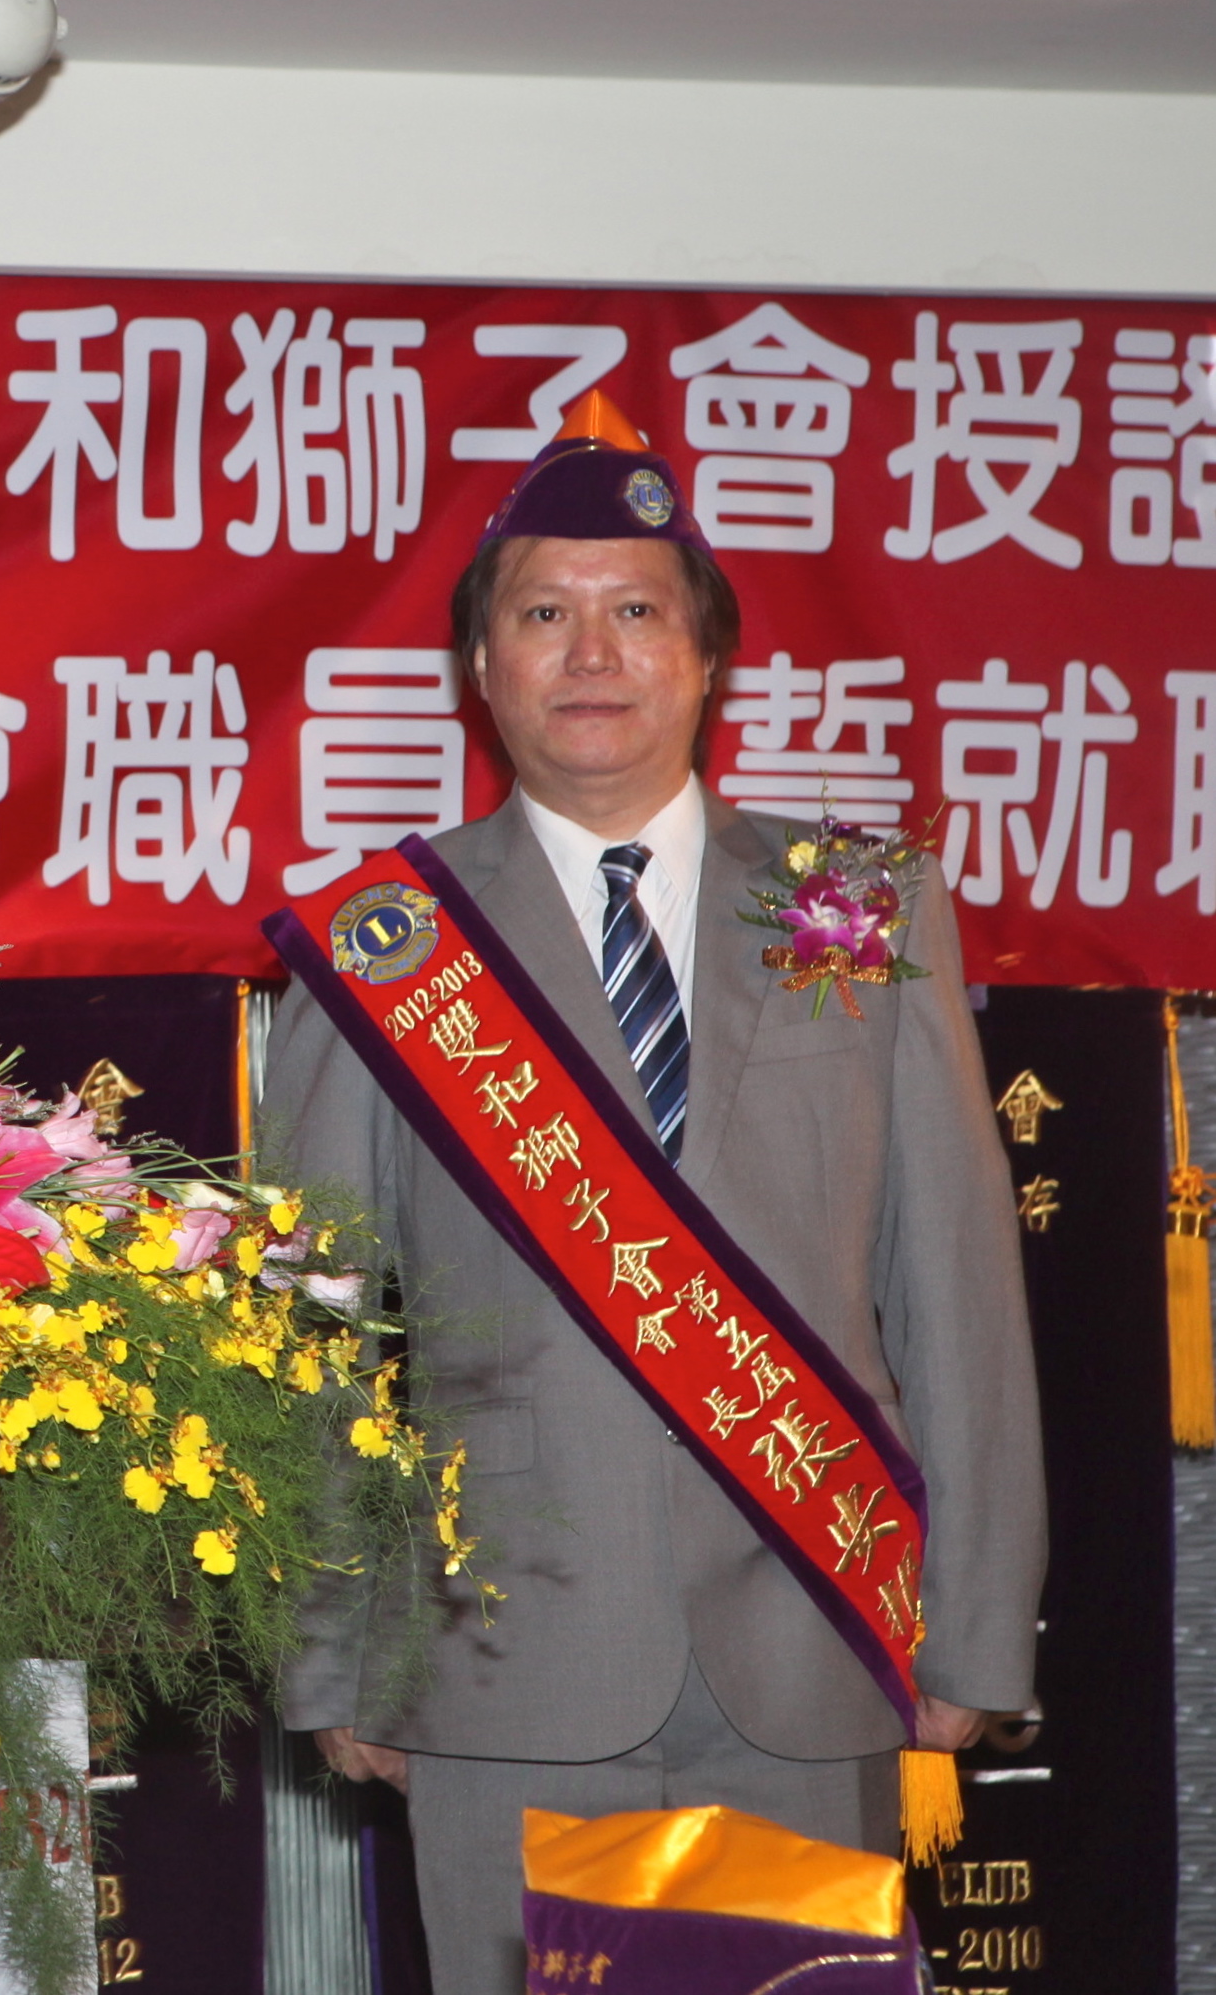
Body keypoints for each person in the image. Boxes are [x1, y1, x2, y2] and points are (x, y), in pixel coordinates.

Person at [267, 419, 1046, 1995]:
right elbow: (309, 1328)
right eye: (541, 612)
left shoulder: (856, 906)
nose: (589, 652)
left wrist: (970, 1626)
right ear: (478, 665)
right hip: (499, 1661)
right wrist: (326, 1645)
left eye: (633, 609)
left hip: (810, 1639)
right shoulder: (385, 947)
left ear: (704, 659)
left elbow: (953, 1286)